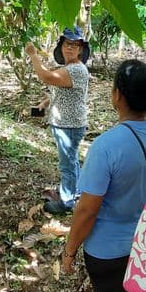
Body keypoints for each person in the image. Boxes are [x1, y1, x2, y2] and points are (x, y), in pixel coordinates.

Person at [61, 59, 146, 292]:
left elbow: (87, 209)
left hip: (107, 250)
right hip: (144, 244)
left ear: (117, 95)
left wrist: (70, 250)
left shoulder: (105, 146)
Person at [25, 26, 90, 214]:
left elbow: (46, 77)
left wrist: (33, 55)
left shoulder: (77, 70)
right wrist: (46, 102)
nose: (69, 48)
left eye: (74, 45)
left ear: (80, 49)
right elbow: (61, 89)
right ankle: (73, 191)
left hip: (68, 125)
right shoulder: (69, 68)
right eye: (66, 44)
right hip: (66, 123)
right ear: (61, 47)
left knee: (67, 164)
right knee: (71, 161)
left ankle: (67, 202)